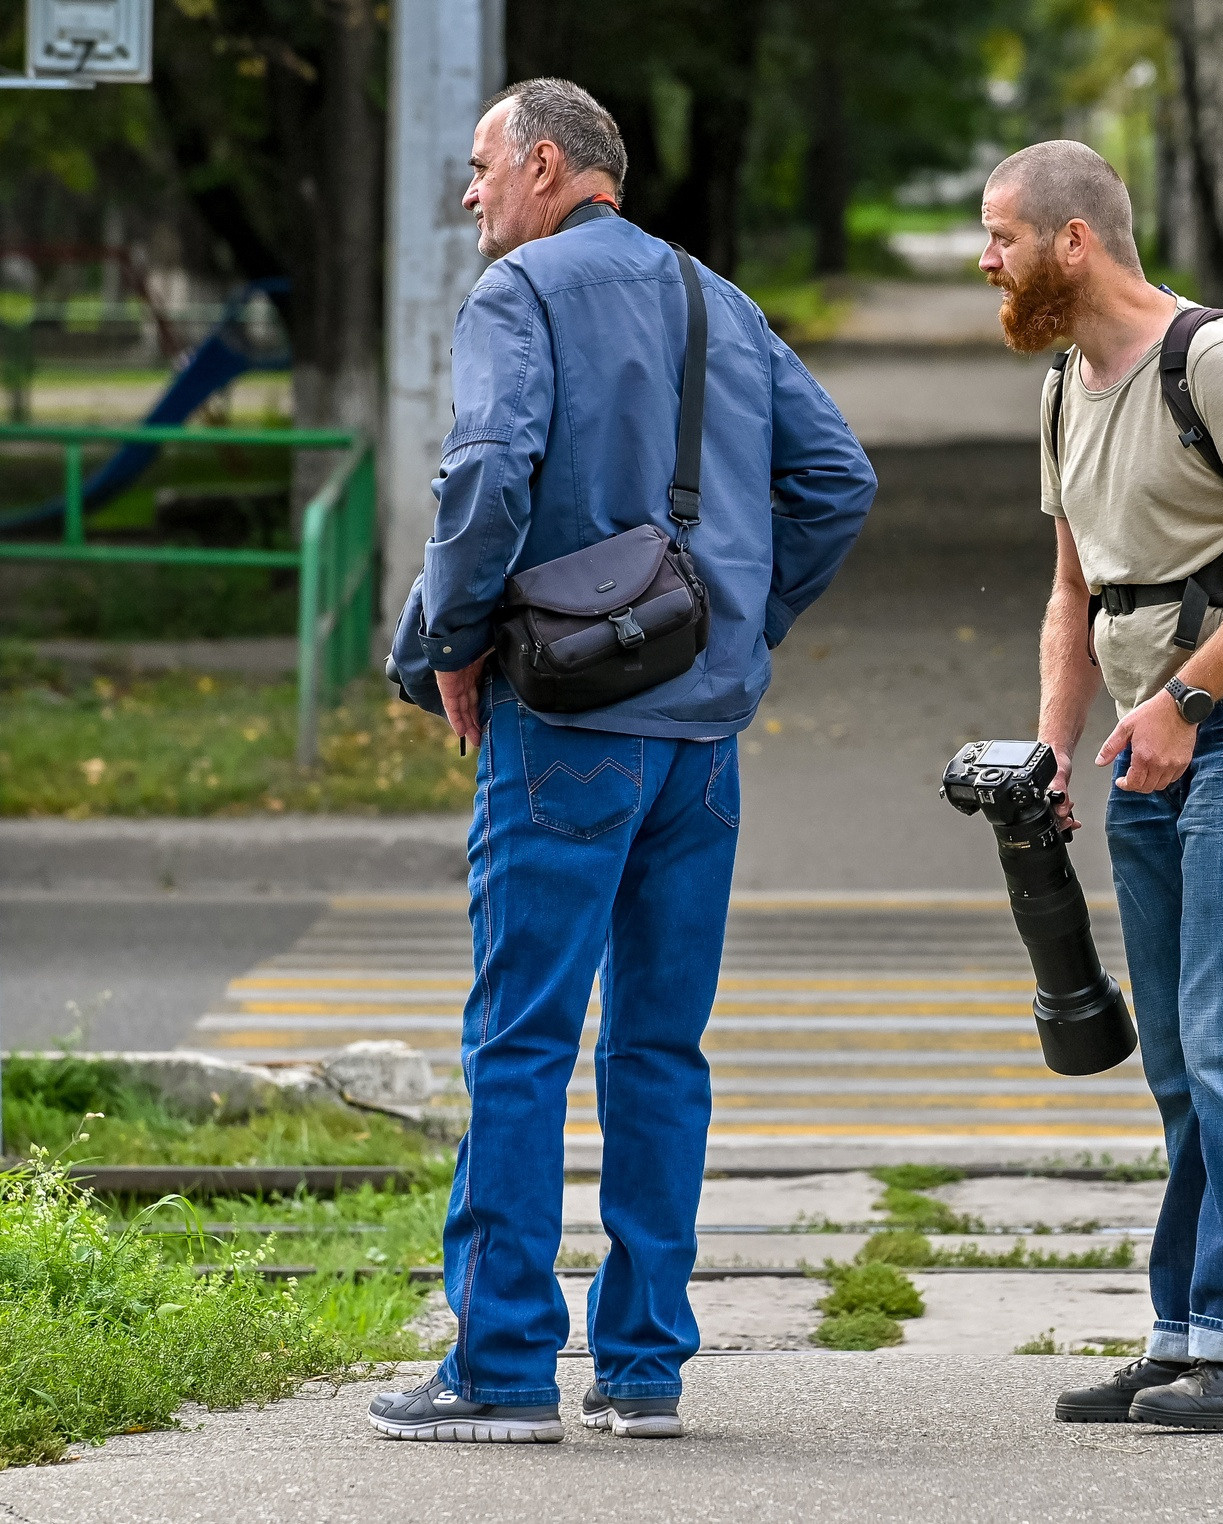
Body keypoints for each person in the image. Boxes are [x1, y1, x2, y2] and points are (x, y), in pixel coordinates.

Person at [372, 77, 875, 1443]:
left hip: (568, 729)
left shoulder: (520, 295)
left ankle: (501, 1369)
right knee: (661, 1048)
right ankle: (643, 1369)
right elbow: (837, 480)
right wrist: (736, 621)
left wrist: (444, 646)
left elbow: (486, 479)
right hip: (701, 736)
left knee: (521, 1038)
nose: (471, 195)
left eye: (481, 167)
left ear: (547, 165)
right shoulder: (717, 297)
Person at [982, 140, 1223, 1430]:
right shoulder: (1067, 389)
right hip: (1153, 740)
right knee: (1185, 1059)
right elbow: (1076, 593)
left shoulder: (1222, 366)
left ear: (1073, 243)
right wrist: (1047, 749)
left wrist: (1187, 701)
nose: (987, 261)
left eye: (1002, 237)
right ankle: (1194, 1327)